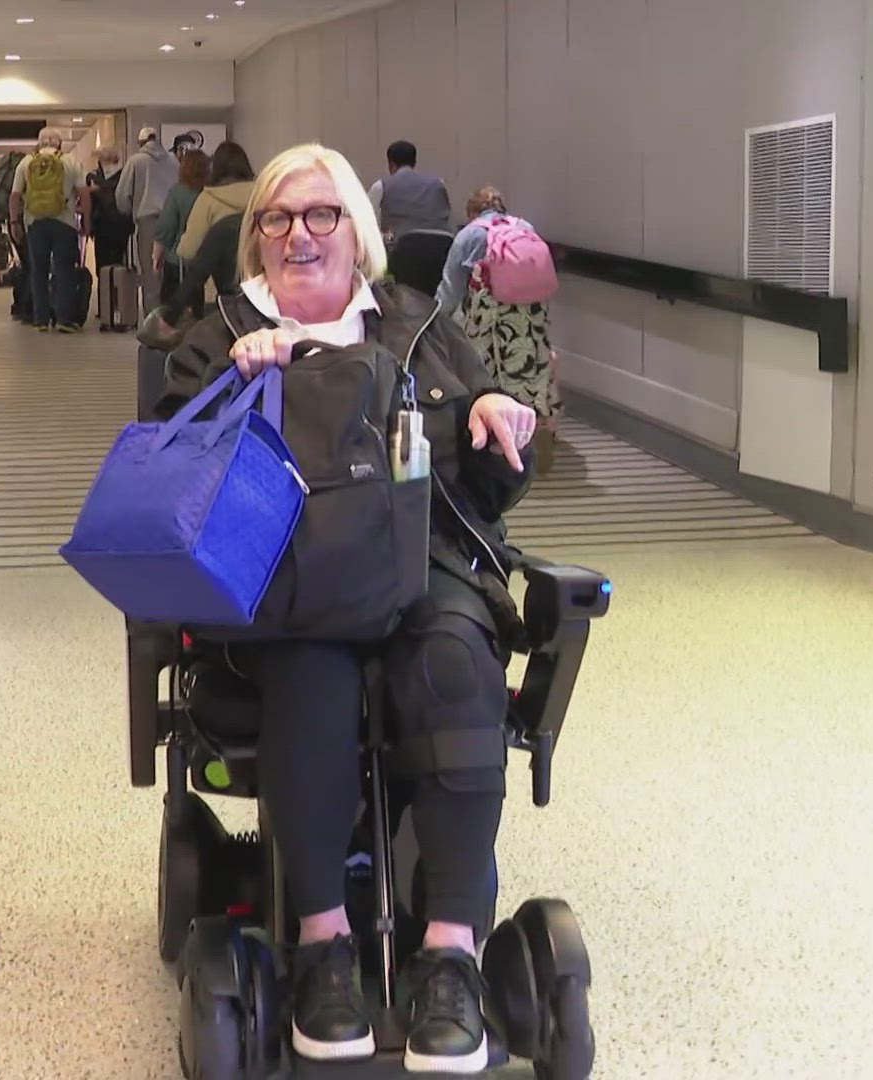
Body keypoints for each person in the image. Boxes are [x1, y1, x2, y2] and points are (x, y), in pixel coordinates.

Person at [157, 144, 538, 1074]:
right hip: (291, 585)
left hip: (422, 565)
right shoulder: (217, 339)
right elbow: (172, 484)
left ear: (355, 233)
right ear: (256, 241)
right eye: (278, 219)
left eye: (321, 214)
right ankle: (324, 948)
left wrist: (499, 418)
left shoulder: (419, 324)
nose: (299, 234)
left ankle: (448, 958)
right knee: (314, 679)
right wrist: (240, 390)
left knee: (455, 663)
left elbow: (486, 492)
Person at [437, 186, 561, 470]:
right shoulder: (524, 226)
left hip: (491, 320)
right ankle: (536, 427)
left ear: (472, 212)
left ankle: (495, 444)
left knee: (487, 377)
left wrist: (433, 318)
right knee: (531, 372)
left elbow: (450, 290)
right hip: (530, 317)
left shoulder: (469, 234)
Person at [10, 128, 87, 333]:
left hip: (35, 223)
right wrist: (86, 221)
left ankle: (41, 320)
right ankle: (64, 319)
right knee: (64, 271)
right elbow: (84, 193)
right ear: (59, 143)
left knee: (38, 271)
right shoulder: (70, 161)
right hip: (65, 223)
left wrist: (14, 222)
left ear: (40, 142)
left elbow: (15, 196)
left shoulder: (26, 163)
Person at [116, 127, 179, 318]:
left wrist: (127, 211)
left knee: (150, 271)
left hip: (148, 221)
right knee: (171, 269)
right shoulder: (173, 161)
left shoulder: (136, 161)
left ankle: (153, 318)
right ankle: (171, 315)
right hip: (173, 220)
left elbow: (122, 195)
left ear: (141, 142)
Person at [175, 141, 257, 265]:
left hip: (219, 280)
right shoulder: (262, 196)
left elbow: (188, 250)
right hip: (257, 278)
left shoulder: (208, 200)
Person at [154, 149, 210, 309]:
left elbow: (166, 228)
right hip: (203, 259)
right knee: (197, 307)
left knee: (171, 307)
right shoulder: (210, 194)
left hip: (178, 260)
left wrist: (156, 256)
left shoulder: (177, 193)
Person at [367, 140, 452, 241]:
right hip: (440, 249)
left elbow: (366, 223)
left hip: (400, 251)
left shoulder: (381, 186)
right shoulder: (439, 184)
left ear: (391, 164)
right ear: (414, 162)